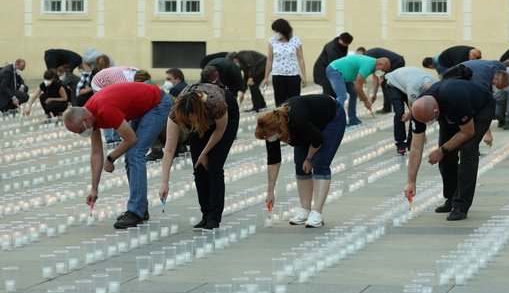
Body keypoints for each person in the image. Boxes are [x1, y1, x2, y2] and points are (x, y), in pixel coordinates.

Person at [62, 82, 173, 229]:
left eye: (78, 131)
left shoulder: (105, 111)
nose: (80, 134)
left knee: (135, 154)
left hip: (156, 104)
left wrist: (111, 158)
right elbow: (96, 152)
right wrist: (94, 188)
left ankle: (136, 212)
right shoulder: (89, 115)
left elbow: (131, 139)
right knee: (131, 155)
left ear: (85, 120)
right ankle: (140, 208)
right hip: (143, 106)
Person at [404, 79, 494, 221]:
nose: (426, 125)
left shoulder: (458, 100)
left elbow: (467, 133)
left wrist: (442, 150)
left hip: (480, 108)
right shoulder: (418, 110)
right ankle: (451, 198)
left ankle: (461, 205)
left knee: (468, 150)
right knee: (447, 157)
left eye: (427, 121)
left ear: (435, 112)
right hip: (449, 112)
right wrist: (411, 181)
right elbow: (415, 148)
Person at [255, 95, 346, 228]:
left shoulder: (297, 121)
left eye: (268, 136)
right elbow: (273, 160)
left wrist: (309, 159)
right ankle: (305, 209)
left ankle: (317, 212)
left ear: (277, 129)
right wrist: (270, 191)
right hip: (311, 124)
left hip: (332, 117)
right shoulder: (271, 129)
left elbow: (317, 140)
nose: (268, 139)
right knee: (299, 164)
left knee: (320, 163)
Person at [158, 82, 238, 229]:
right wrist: (164, 183)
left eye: (190, 120)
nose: (188, 123)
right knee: (199, 168)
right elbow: (169, 149)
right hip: (201, 118)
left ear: (198, 112)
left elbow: (219, 132)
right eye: (186, 121)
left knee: (214, 166)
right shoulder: (176, 113)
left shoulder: (216, 104)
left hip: (226, 117)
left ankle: (214, 217)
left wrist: (204, 153)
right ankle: (205, 214)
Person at [325, 53, 392, 126]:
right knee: (342, 96)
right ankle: (334, 121)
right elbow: (357, 85)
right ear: (380, 65)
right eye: (382, 70)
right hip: (335, 70)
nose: (382, 73)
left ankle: (352, 119)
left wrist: (371, 94)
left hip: (344, 74)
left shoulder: (373, 65)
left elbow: (362, 81)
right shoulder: (369, 65)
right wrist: (366, 101)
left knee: (353, 94)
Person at [385, 66, 438, 155]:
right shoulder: (414, 86)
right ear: (423, 90)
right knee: (400, 113)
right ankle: (400, 143)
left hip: (405, 82)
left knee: (415, 114)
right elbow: (414, 108)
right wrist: (422, 132)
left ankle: (411, 143)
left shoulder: (435, 84)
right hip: (394, 84)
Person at [263, 18, 306, 106]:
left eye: (277, 31)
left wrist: (304, 76)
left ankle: (293, 119)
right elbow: (270, 59)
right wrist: (266, 77)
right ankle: (281, 119)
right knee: (280, 102)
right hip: (278, 75)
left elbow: (301, 59)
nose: (276, 33)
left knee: (294, 102)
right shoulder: (272, 41)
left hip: (293, 75)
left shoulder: (295, 40)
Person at [364, 47, 406, 113]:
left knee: (386, 84)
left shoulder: (367, 57)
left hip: (395, 62)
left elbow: (375, 77)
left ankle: (388, 107)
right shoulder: (370, 55)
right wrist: (374, 94)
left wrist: (374, 94)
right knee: (389, 83)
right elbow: (376, 76)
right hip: (398, 61)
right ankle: (393, 104)